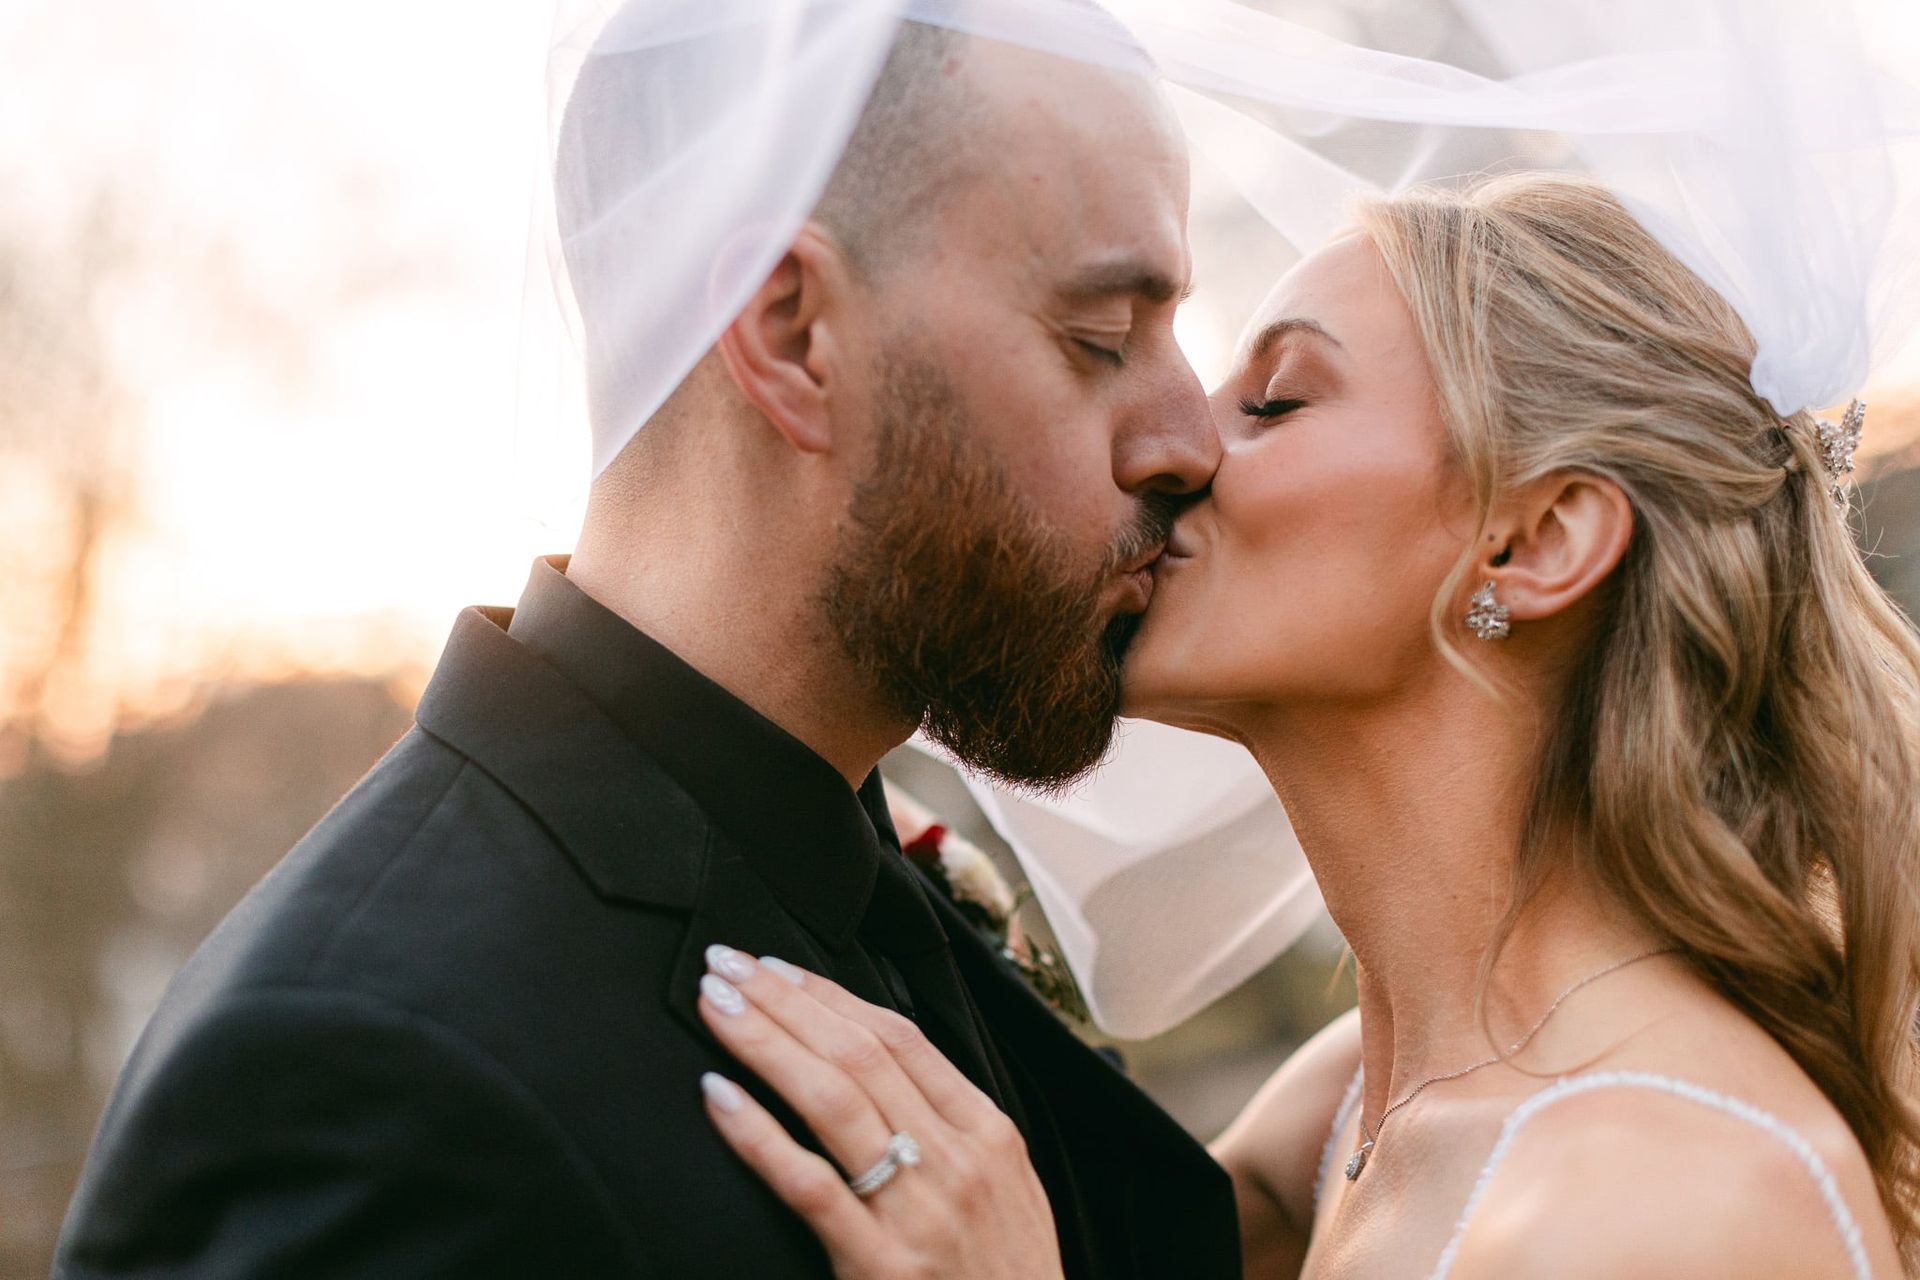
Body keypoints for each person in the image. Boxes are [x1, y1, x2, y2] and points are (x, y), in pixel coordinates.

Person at [52, 17, 1243, 1280]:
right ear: (789, 333)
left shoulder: (859, 869)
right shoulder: (366, 1081)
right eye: (1104, 337)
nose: (1190, 435)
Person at [689, 173, 1920, 1278]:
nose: (1171, 444)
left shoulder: (1665, 1200)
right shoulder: (1365, 1107)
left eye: (1274, 401)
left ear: (1533, 540)